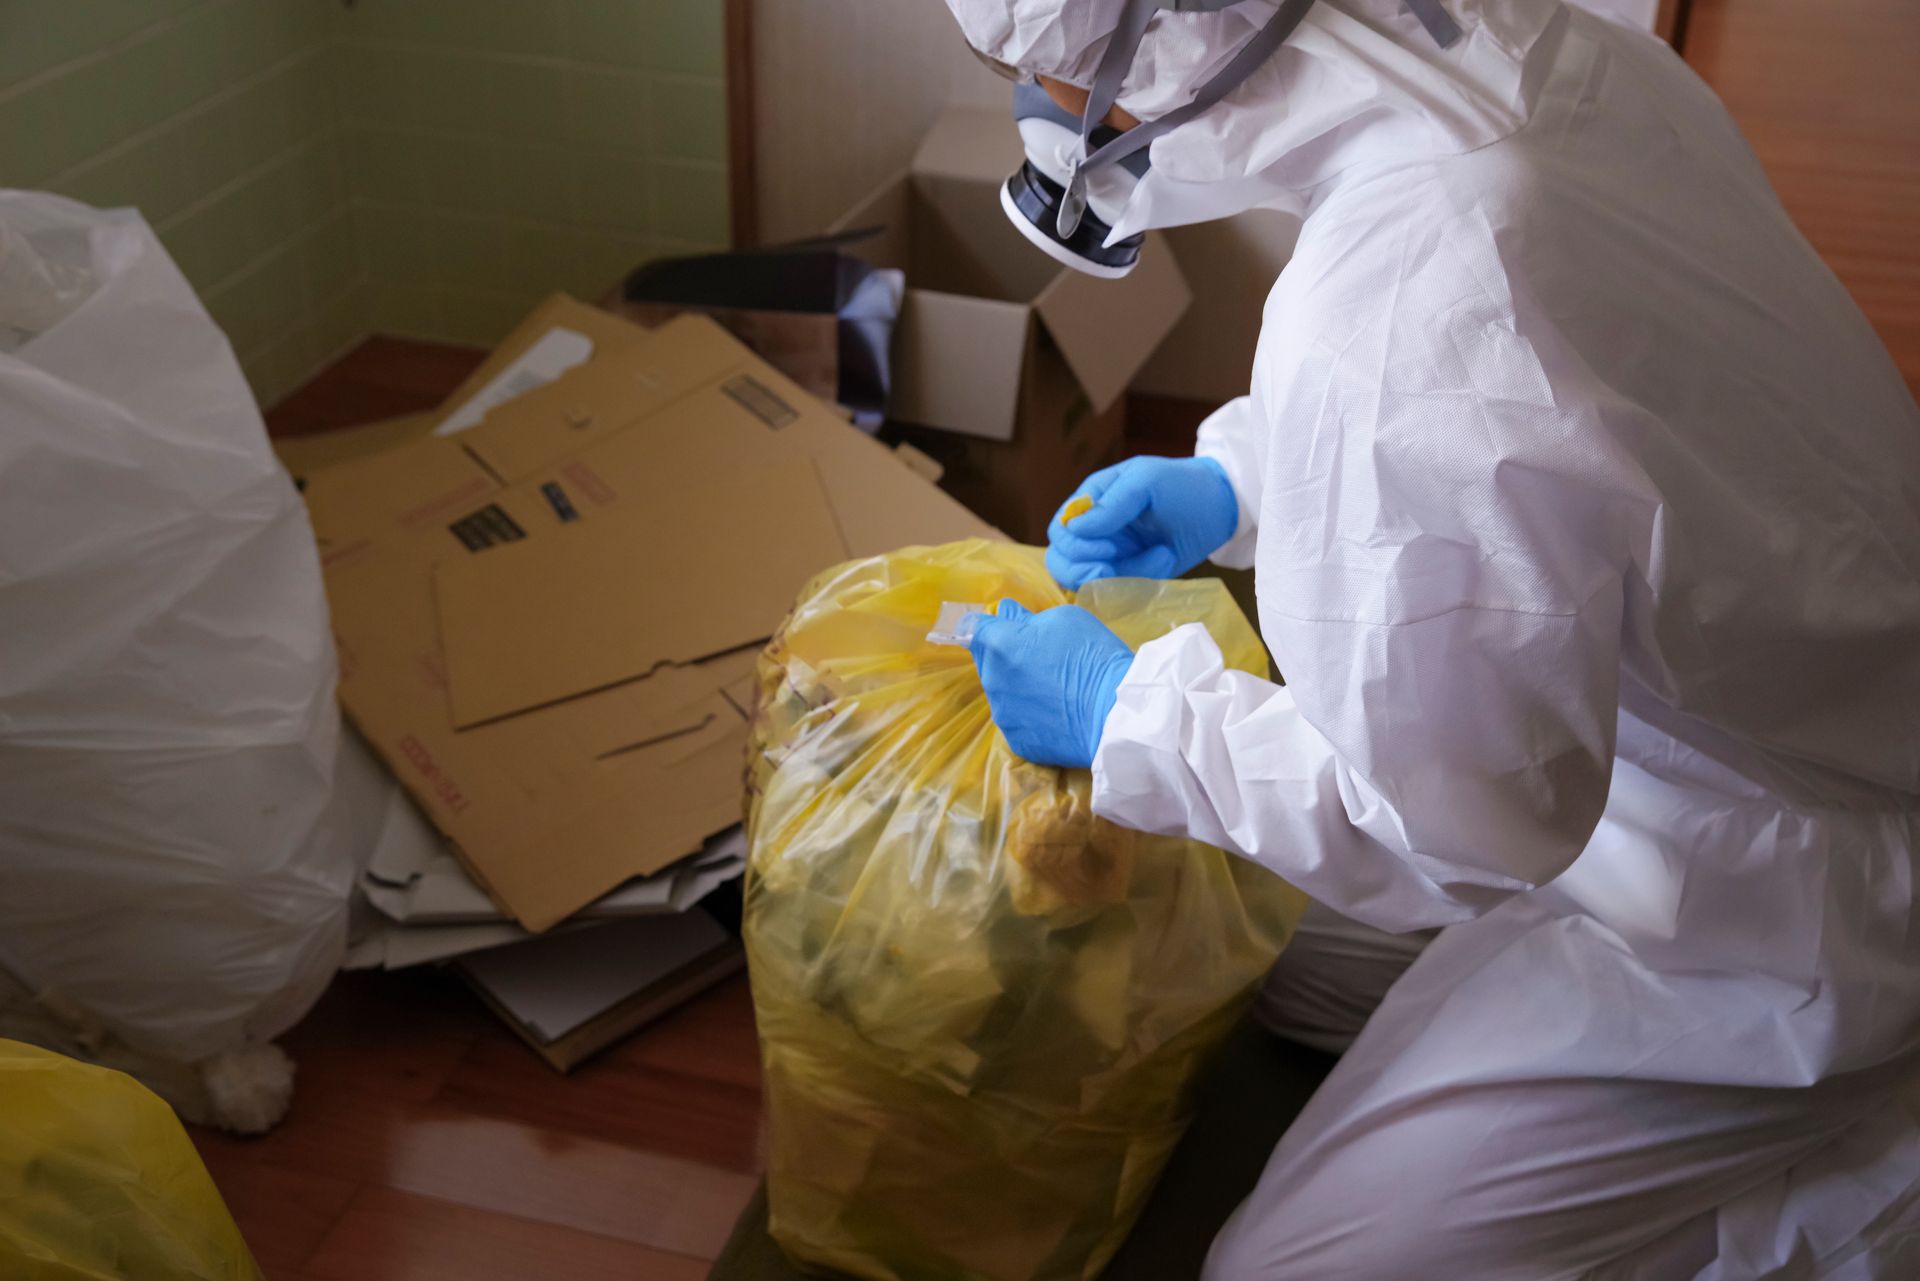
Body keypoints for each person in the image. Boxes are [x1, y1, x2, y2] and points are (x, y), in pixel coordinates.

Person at [949, 0, 1920, 1275]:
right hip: (1791, 725)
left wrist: (1133, 715)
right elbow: (1560, 419)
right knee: (1273, 973)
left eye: (1042, 60)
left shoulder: (1406, 297)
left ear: (1172, 34)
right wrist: (1243, 481)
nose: (1041, 99)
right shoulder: (1555, 59)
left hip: (1767, 921)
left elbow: (1457, 828)